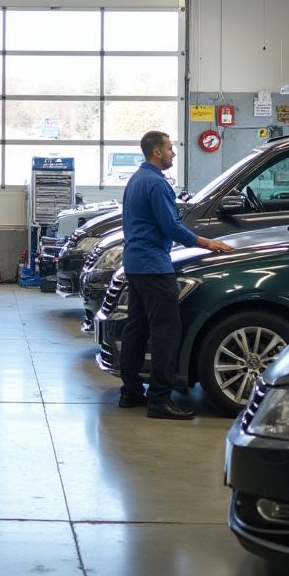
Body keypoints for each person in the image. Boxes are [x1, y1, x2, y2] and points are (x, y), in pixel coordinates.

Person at [118, 131, 233, 420]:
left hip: (134, 263)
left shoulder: (136, 179)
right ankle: (159, 400)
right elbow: (171, 227)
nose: (173, 154)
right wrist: (206, 243)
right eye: (170, 149)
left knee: (137, 328)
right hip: (154, 266)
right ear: (156, 152)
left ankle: (130, 392)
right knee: (166, 331)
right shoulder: (157, 184)